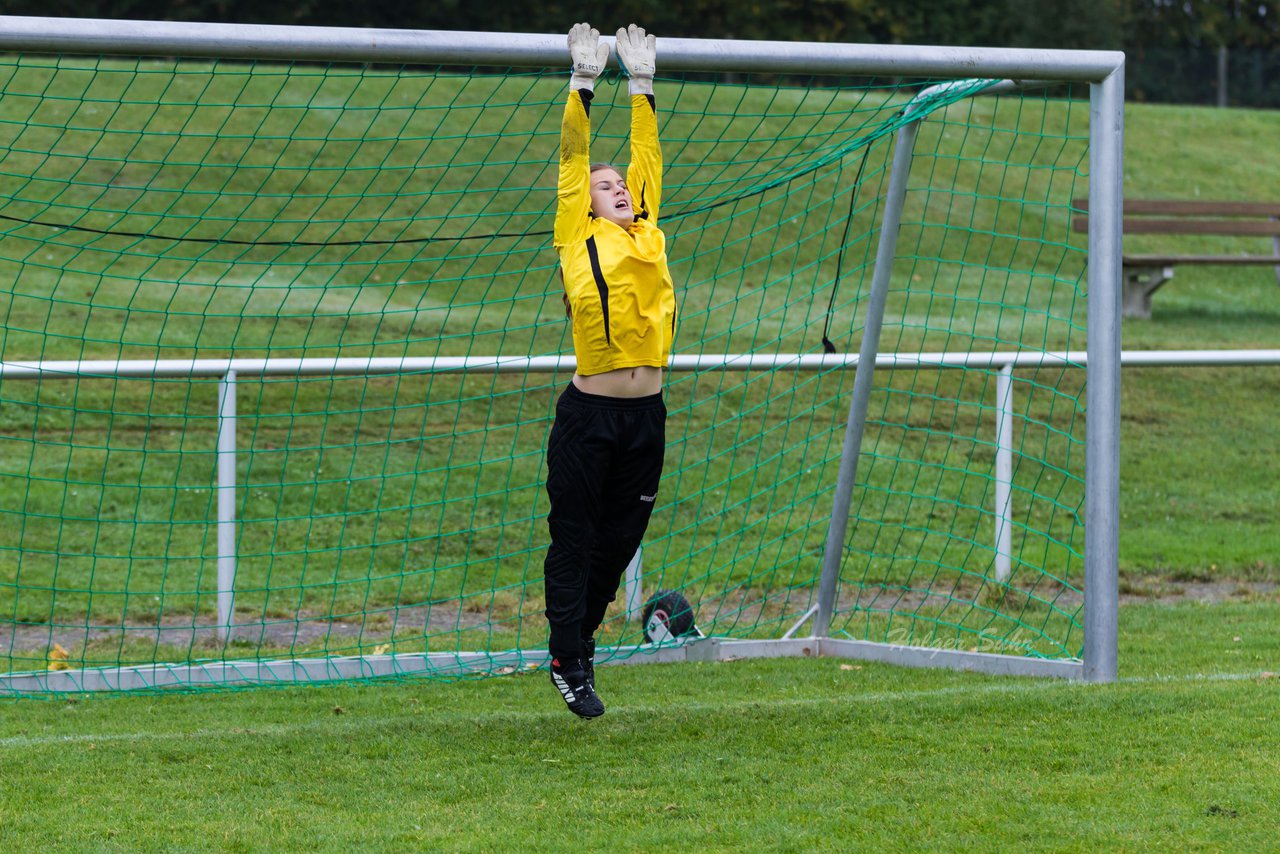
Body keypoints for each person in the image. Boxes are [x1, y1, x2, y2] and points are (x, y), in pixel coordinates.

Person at [543, 22, 676, 718]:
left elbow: (647, 158)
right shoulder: (577, 235)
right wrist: (585, 85)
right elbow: (573, 158)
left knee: (619, 544)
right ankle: (566, 655)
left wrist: (644, 85)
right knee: (577, 537)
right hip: (589, 417)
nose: (617, 185)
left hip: (645, 418)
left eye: (620, 181)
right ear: (585, 201)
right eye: (605, 183)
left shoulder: (647, 227)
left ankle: (581, 644)